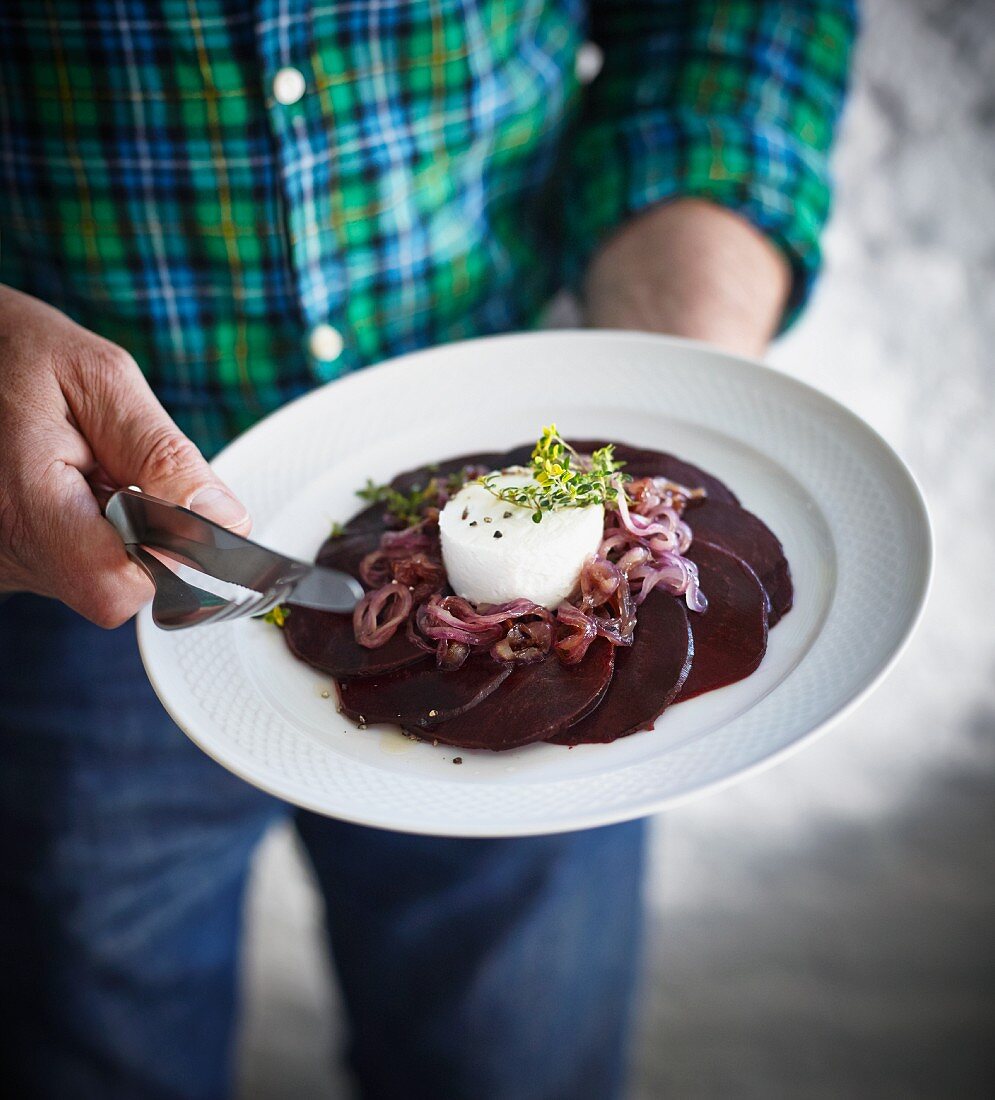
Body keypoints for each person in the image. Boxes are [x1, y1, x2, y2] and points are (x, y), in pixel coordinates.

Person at [0, 2, 855, 1097]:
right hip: (61, 556)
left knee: (515, 1054)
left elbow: (735, 28)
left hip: (534, 492)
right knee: (92, 1046)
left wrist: (674, 365)